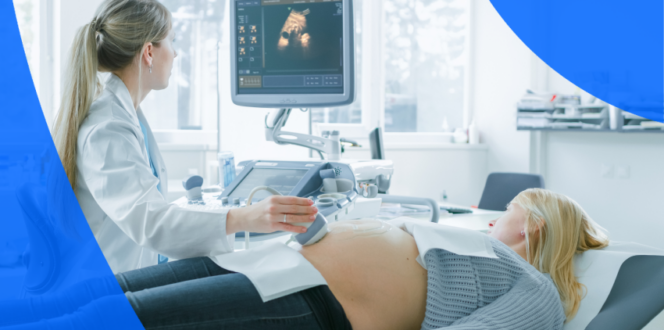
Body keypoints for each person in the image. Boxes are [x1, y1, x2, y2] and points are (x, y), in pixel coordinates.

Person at [2, 188, 609, 329]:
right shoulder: (460, 234)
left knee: (112, 316)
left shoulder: (539, 292)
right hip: (270, 265)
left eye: (508, 209)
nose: (495, 214)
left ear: (530, 220)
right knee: (92, 295)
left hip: (314, 302)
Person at [51, 0, 318, 275]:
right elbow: (151, 222)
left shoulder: (124, 114)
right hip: (109, 294)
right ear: (149, 53)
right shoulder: (107, 128)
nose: (176, 54)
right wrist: (243, 218)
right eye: (171, 41)